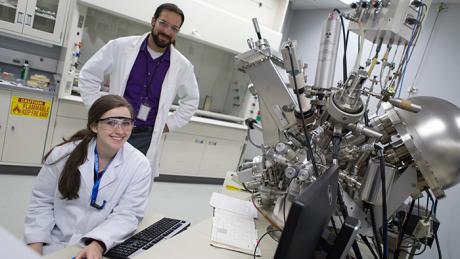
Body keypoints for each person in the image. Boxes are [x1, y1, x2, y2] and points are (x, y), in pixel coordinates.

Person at [79, 3, 200, 178]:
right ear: (153, 21)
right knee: (100, 175)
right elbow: (89, 75)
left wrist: (169, 124)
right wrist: (98, 111)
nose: (167, 31)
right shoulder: (120, 47)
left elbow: (191, 101)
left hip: (146, 136)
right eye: (163, 23)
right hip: (113, 128)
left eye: (174, 28)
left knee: (132, 182)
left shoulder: (182, 66)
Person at [24, 95, 152, 258]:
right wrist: (35, 245)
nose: (120, 131)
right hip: (53, 244)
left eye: (126, 123)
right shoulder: (63, 154)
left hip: (98, 246)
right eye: (111, 123)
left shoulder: (139, 164)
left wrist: (98, 244)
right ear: (94, 126)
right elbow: (41, 201)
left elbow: (128, 215)